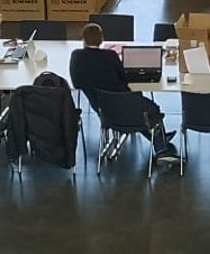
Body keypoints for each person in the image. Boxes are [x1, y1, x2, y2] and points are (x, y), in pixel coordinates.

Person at [68, 23, 180, 165]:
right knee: (151, 109)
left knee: (136, 113)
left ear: (83, 39)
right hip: (126, 105)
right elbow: (123, 78)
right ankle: (161, 149)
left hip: (103, 110)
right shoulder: (110, 56)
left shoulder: (76, 56)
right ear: (102, 39)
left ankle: (159, 137)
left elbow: (76, 83)